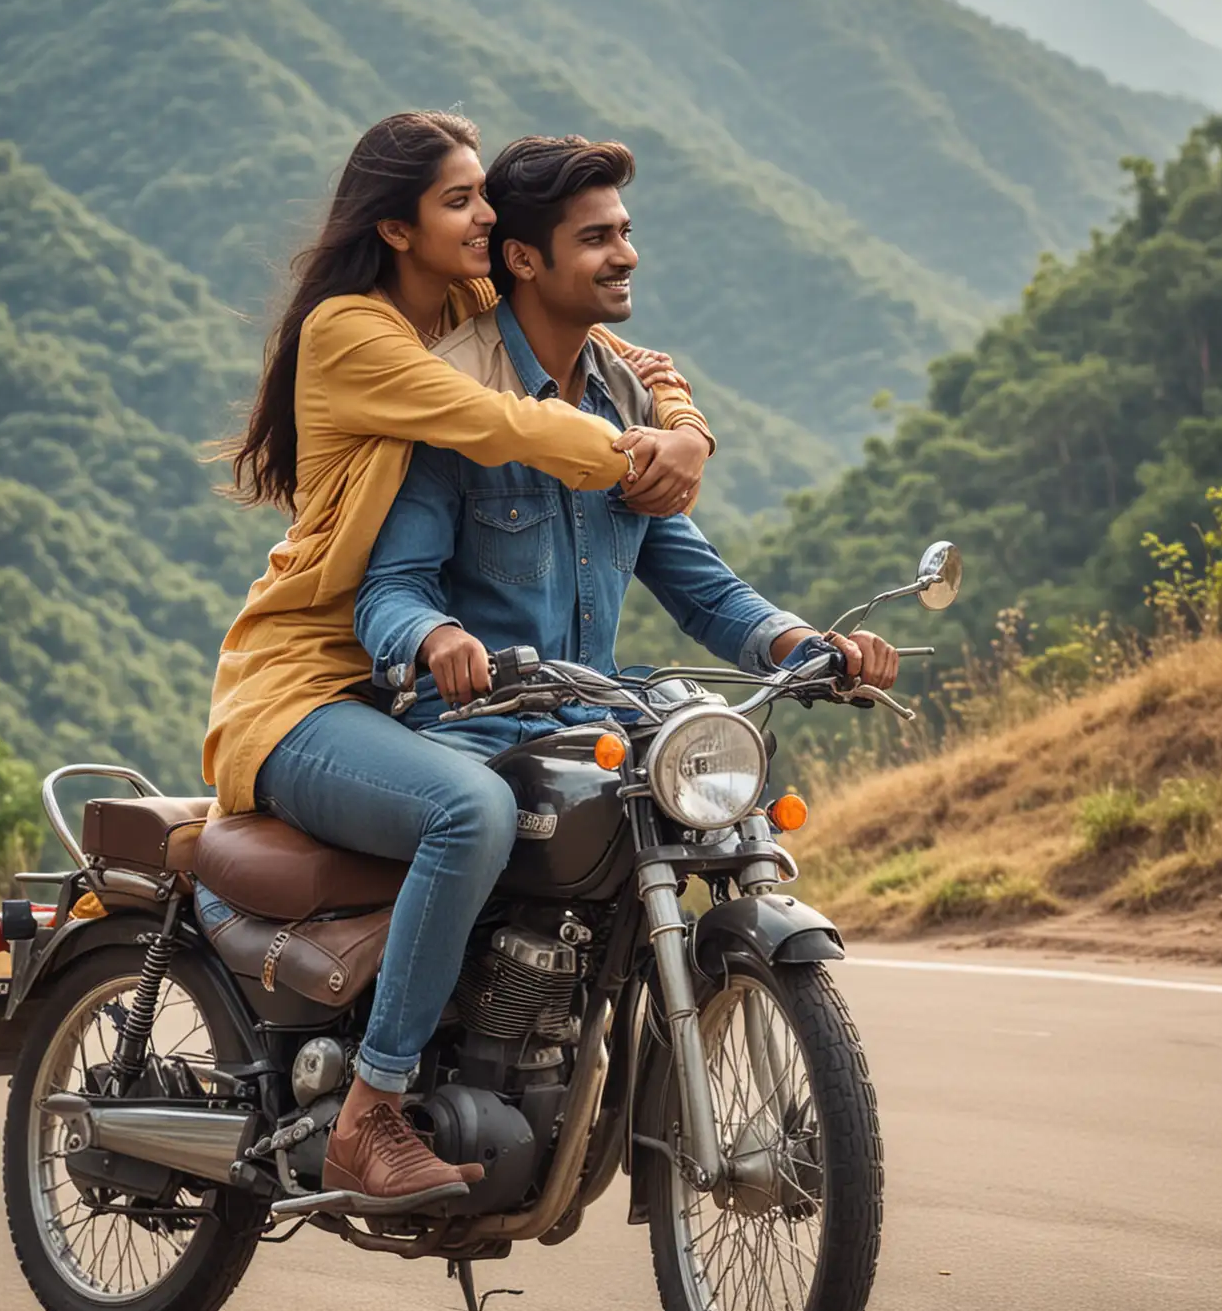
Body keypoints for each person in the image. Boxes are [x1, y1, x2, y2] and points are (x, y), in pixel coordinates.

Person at [205, 112, 715, 1211]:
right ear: (395, 226)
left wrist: (685, 432)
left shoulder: (471, 305)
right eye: (459, 202)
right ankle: (371, 1113)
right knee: (470, 813)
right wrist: (639, 456)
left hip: (407, 687)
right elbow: (502, 425)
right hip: (311, 683)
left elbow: (634, 361)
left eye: (487, 198)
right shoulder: (354, 330)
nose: (487, 218)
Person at [353, 129, 898, 877]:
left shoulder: (627, 397)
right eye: (597, 238)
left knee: (718, 830)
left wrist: (808, 647)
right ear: (523, 260)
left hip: (594, 722)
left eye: (626, 232)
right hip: (473, 733)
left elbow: (701, 589)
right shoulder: (456, 399)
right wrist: (436, 637)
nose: (627, 255)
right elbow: (391, 587)